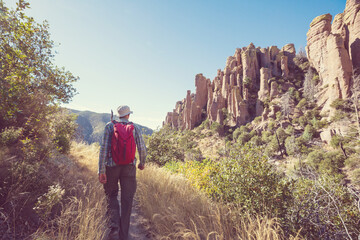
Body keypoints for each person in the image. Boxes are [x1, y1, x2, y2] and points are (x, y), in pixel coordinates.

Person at [98, 105, 147, 240]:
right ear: (128, 115)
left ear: (118, 115)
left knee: (111, 195)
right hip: (129, 168)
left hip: (111, 167)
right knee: (127, 199)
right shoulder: (135, 127)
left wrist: (101, 170)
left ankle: (114, 227)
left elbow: (104, 149)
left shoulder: (109, 126)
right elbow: (142, 147)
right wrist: (142, 163)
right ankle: (124, 234)